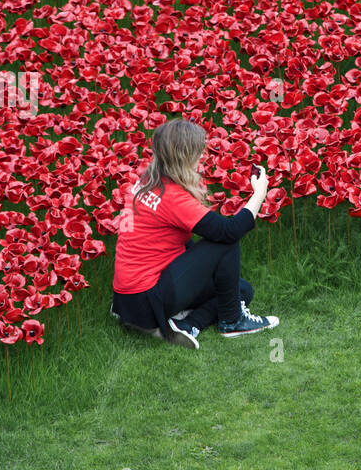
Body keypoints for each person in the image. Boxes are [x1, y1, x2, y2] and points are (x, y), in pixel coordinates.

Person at [110, 118, 279, 349]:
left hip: (127, 298)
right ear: (184, 156)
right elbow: (228, 232)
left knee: (241, 290)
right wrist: (259, 193)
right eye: (199, 152)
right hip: (147, 297)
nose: (202, 157)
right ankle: (232, 322)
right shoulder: (172, 197)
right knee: (225, 242)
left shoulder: (147, 181)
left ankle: (189, 324)